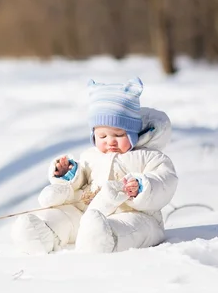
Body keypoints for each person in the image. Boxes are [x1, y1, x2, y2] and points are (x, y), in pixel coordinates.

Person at [11, 77, 178, 254]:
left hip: (134, 214)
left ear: (133, 133)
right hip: (88, 212)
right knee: (66, 216)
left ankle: (104, 239)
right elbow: (82, 180)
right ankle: (42, 231)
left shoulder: (149, 156)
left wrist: (142, 186)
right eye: (103, 137)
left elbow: (166, 180)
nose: (110, 142)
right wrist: (69, 174)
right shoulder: (91, 156)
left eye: (119, 135)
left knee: (132, 228)